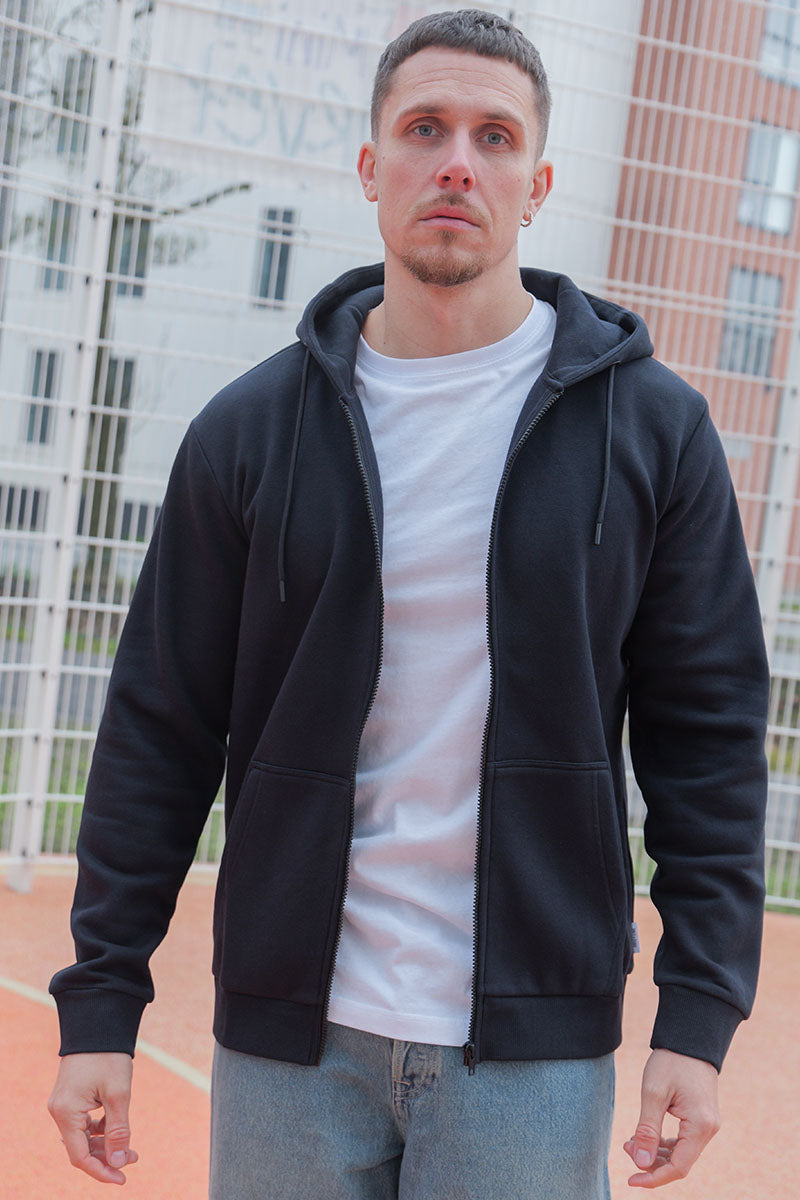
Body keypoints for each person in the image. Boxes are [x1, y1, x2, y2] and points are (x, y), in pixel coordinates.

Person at [47, 9, 769, 1197]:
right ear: (369, 167)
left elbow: (708, 739)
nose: (456, 164)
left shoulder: (652, 431)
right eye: (423, 128)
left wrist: (696, 1014)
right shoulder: (247, 431)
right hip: (289, 1038)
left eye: (494, 137)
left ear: (536, 186)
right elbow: (158, 725)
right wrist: (100, 1002)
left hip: (530, 1049)